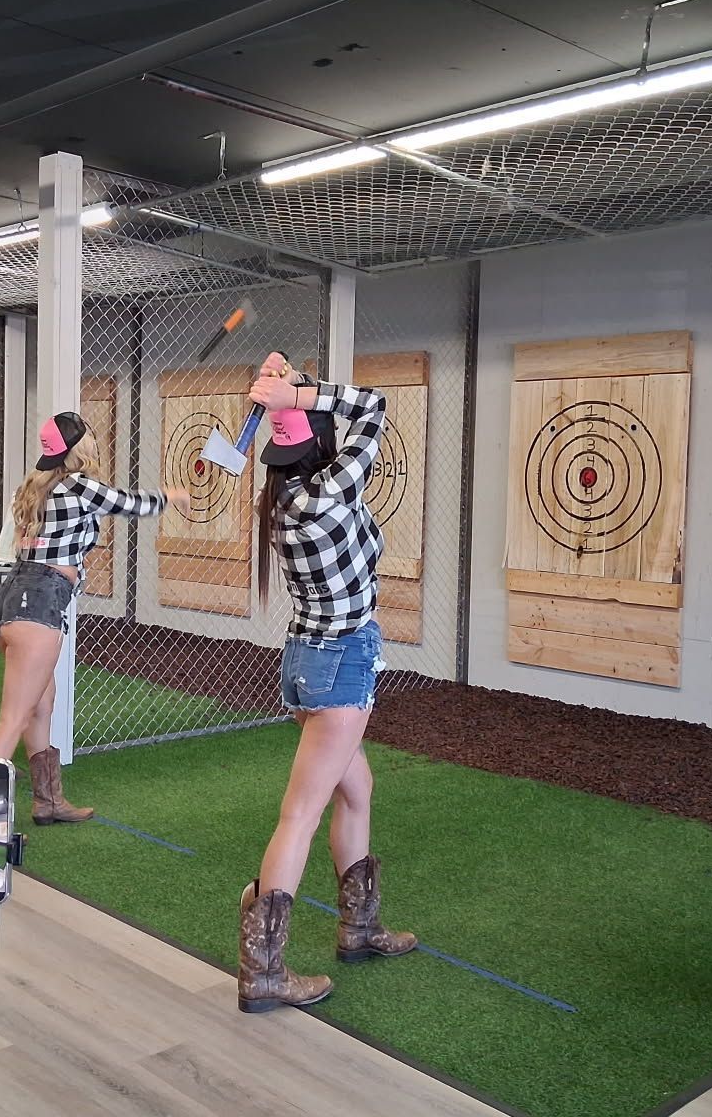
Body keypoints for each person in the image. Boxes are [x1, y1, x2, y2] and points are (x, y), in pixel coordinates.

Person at [236, 352, 417, 1015]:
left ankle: (360, 928)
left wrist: (285, 391)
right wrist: (303, 392)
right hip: (340, 660)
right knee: (301, 814)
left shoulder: (282, 497)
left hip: (308, 659)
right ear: (319, 447)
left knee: (357, 790)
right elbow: (372, 406)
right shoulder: (331, 489)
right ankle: (264, 969)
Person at [0, 411, 191, 822]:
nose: (95, 441)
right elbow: (128, 504)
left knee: (41, 705)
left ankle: (48, 802)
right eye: (90, 435)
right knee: (14, 717)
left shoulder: (37, 484)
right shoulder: (78, 484)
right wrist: (172, 496)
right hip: (38, 601)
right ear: (80, 446)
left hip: (17, 600)